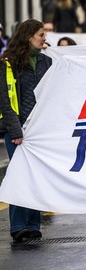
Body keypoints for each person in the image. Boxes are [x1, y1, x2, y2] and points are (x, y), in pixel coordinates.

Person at [0, 19, 52, 242]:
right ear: (29, 36)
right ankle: (19, 226)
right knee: (21, 176)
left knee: (36, 177)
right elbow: (4, 99)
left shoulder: (46, 61)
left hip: (39, 130)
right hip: (18, 130)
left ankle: (33, 224)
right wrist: (15, 130)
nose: (44, 38)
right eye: (41, 34)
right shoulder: (7, 63)